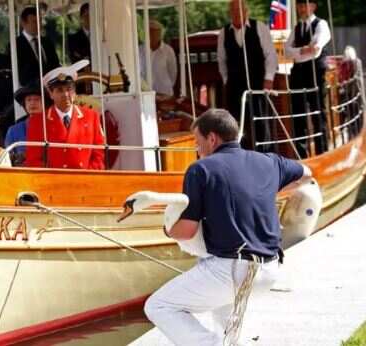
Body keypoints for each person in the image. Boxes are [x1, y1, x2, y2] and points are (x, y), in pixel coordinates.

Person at [144, 109, 312, 346]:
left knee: (159, 306)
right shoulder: (269, 162)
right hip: (269, 270)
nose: (197, 149)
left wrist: (167, 229)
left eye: (197, 142)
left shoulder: (200, 169)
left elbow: (187, 231)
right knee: (227, 325)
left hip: (231, 270)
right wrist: (264, 190)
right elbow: (307, 173)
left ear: (212, 138)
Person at [217, 0, 278, 150]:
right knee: (236, 125)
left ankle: (265, 156)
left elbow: (271, 55)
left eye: (239, 10)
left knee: (261, 123)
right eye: (233, 11)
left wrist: (268, 79)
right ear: (230, 13)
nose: (236, 14)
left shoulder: (260, 28)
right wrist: (227, 81)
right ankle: (241, 157)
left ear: (246, 11)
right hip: (235, 87)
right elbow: (221, 60)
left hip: (257, 84)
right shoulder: (224, 33)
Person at [24, 60, 105, 170]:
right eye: (60, 90)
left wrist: (87, 177)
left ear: (75, 92)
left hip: (85, 181)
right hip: (54, 182)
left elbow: (99, 154)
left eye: (69, 89)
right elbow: (33, 160)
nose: (66, 95)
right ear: (51, 94)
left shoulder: (91, 117)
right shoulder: (38, 121)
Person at [285, 0, 331, 158]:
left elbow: (316, 51)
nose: (301, 8)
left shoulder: (321, 24)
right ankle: (302, 157)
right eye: (299, 5)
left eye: (305, 4)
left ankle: (322, 154)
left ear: (313, 7)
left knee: (318, 114)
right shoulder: (297, 28)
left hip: (315, 73)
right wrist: (303, 50)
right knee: (298, 116)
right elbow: (286, 51)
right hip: (297, 74)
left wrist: (298, 52)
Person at [15, 6, 60, 87]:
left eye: (39, 21)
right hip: (30, 91)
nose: (38, 25)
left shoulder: (47, 42)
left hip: (51, 88)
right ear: (23, 23)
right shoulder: (16, 45)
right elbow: (21, 73)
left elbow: (55, 64)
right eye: (34, 22)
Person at [5, 83, 44, 166]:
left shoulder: (52, 126)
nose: (32, 103)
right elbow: (7, 159)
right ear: (24, 104)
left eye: (37, 99)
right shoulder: (13, 130)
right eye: (29, 100)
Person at [139, 20, 177, 97]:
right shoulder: (139, 50)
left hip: (165, 93)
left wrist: (166, 86)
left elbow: (173, 73)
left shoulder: (168, 50)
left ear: (160, 34)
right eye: (151, 33)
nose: (153, 36)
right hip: (145, 94)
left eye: (156, 33)